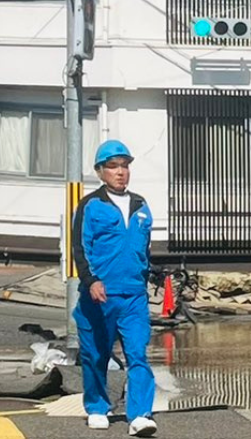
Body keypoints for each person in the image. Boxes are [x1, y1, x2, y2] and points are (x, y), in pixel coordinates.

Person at [72, 140, 158, 437]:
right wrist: (91, 280)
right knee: (96, 354)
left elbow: (144, 250)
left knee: (138, 353)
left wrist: (148, 278)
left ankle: (140, 415)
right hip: (100, 294)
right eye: (113, 166)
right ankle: (97, 407)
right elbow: (80, 249)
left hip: (133, 295)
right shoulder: (90, 206)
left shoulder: (141, 205)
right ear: (100, 171)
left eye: (124, 165)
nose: (121, 172)